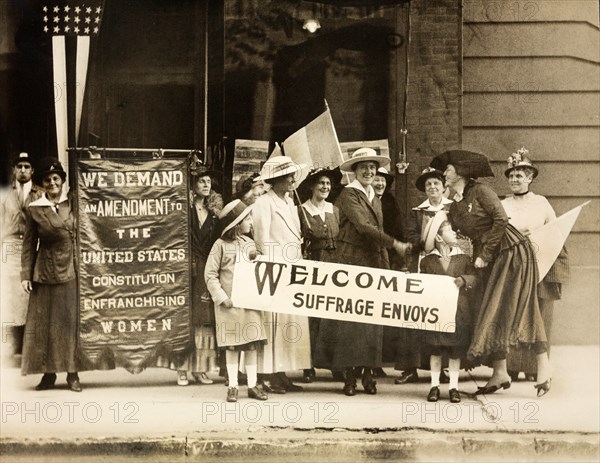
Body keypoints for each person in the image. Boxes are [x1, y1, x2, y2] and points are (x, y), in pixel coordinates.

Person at [430, 149, 551, 397]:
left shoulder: (481, 191)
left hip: (511, 251)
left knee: (519, 306)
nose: (444, 174)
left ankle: (543, 368)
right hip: (488, 256)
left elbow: (501, 220)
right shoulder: (455, 205)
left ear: (460, 172)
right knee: (492, 308)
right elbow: (457, 236)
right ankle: (500, 372)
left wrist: (485, 254)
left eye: (448, 170)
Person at [314, 148, 411, 396]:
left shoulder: (374, 197)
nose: (369, 172)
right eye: (363, 168)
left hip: (373, 263)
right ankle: (349, 378)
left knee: (371, 321)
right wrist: (395, 244)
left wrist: (386, 264)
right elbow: (364, 227)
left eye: (372, 168)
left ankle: (368, 374)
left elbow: (374, 233)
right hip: (351, 263)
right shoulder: (349, 195)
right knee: (350, 321)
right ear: (355, 171)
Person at [501, 148, 569, 382]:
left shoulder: (541, 203)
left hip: (539, 262)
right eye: (511, 175)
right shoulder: (503, 205)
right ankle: (511, 366)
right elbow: (498, 233)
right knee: (513, 312)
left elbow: (556, 233)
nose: (514, 180)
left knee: (539, 313)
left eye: (519, 175)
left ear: (530, 178)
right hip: (514, 265)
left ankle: (534, 368)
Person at [20, 158, 82, 391]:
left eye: (56, 178)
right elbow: (28, 245)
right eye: (48, 179)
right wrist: (26, 275)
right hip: (44, 272)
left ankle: (73, 373)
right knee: (45, 325)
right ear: (42, 183)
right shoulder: (34, 209)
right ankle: (48, 374)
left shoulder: (73, 204)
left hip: (70, 270)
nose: (52, 182)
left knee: (68, 323)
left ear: (63, 181)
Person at [252, 155, 311, 393]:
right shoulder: (264, 203)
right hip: (274, 268)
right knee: (272, 323)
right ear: (275, 180)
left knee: (289, 322)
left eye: (292, 175)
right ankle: (267, 375)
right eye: (287, 176)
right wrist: (268, 267)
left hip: (292, 267)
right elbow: (261, 239)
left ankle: (282, 372)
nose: (292, 179)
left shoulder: (289, 203)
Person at [205, 199, 268, 402]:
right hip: (229, 307)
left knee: (251, 346)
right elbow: (210, 275)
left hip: (249, 304)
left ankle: (252, 385)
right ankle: (232, 385)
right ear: (236, 223)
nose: (251, 221)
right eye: (247, 218)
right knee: (232, 347)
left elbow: (261, 268)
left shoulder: (250, 244)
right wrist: (222, 298)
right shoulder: (220, 246)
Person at [394, 167, 453, 385]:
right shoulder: (416, 212)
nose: (432, 187)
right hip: (421, 266)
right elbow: (409, 237)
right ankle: (410, 367)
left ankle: (443, 368)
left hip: (447, 267)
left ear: (444, 187)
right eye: (428, 185)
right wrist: (428, 238)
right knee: (414, 315)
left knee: (443, 315)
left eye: (436, 183)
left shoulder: (453, 209)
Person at [420, 212, 478, 404]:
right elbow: (421, 285)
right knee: (435, 349)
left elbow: (475, 278)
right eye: (449, 230)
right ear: (438, 237)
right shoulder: (427, 261)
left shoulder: (463, 259)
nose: (454, 233)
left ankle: (454, 387)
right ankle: (434, 385)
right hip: (436, 312)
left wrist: (465, 280)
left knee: (455, 350)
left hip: (457, 311)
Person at [175, 163, 222, 386]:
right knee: (186, 318)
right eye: (202, 180)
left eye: (208, 181)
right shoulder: (183, 210)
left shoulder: (214, 214)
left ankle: (201, 368)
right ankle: (182, 368)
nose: (206, 184)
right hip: (186, 267)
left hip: (205, 266)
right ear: (193, 185)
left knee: (204, 317)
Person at [297, 166, 342, 383]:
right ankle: (308, 364)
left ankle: (334, 363)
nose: (325, 187)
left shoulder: (335, 209)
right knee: (312, 315)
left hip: (334, 266)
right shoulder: (301, 210)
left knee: (333, 314)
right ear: (312, 186)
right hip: (313, 265)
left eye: (328, 184)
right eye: (321, 183)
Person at [1, 153, 42, 367]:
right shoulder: (6, 194)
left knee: (30, 297)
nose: (23, 170)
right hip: (8, 247)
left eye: (27, 166)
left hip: (32, 247)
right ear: (14, 170)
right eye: (20, 166)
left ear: (33, 171)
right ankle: (9, 349)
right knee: (8, 298)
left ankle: (29, 350)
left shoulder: (40, 194)